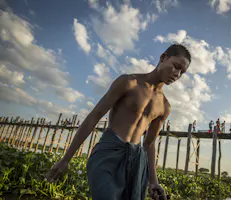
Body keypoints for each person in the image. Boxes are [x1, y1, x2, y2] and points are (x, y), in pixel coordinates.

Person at [45, 44, 191, 200]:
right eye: (176, 66)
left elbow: (149, 144)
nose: (177, 74)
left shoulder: (164, 106)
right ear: (163, 57)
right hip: (110, 151)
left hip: (136, 159)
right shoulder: (129, 82)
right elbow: (95, 115)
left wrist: (153, 181)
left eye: (182, 72)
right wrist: (66, 158)